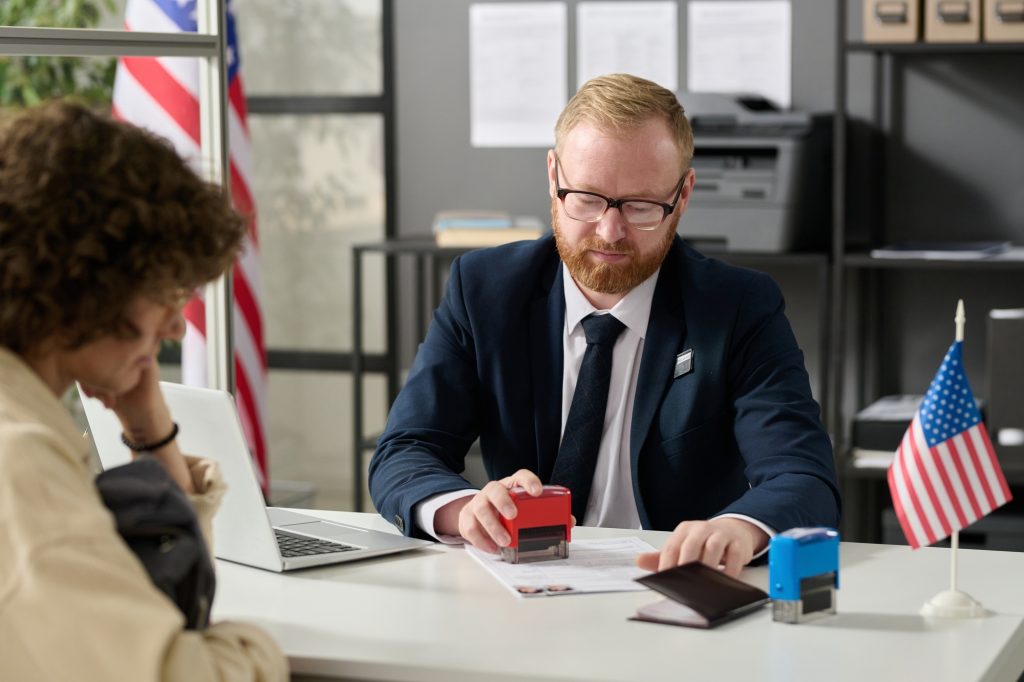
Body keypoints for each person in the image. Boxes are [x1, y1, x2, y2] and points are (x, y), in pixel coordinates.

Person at [369, 74, 840, 577]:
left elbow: (803, 476)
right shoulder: (485, 290)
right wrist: (465, 511)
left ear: (683, 195)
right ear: (553, 176)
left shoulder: (739, 306)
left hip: (672, 584)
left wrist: (739, 529)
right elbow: (406, 450)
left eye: (641, 206)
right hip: (520, 581)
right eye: (588, 198)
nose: (610, 231)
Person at [0, 101, 287, 680]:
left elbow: (167, 585)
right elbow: (175, 667)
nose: (177, 326)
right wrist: (260, 649)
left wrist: (150, 428)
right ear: (86, 287)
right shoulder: (21, 458)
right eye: (163, 290)